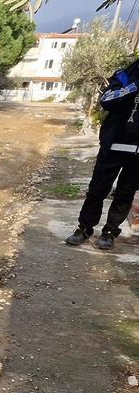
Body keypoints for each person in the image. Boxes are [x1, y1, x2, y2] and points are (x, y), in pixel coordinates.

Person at [65, 58, 139, 250]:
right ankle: (84, 228)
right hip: (113, 144)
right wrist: (133, 88)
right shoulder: (123, 77)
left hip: (138, 151)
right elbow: (106, 100)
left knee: (125, 193)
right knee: (97, 190)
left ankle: (110, 232)